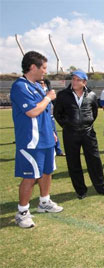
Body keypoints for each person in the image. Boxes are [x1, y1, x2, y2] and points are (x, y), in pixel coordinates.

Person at [10, 51, 63, 228]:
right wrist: (48, 97)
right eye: (44, 68)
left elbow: (46, 113)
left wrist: (52, 132)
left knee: (47, 171)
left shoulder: (37, 86)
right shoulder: (20, 87)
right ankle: (22, 212)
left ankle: (44, 202)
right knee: (30, 176)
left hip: (46, 138)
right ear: (33, 67)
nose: (45, 72)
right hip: (31, 141)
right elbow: (32, 111)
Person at [54, 70, 104, 199]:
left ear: (84, 82)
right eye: (73, 79)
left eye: (77, 79)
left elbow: (94, 112)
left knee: (95, 161)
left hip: (88, 133)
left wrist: (86, 124)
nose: (74, 81)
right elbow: (58, 114)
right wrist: (68, 125)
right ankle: (81, 191)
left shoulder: (91, 95)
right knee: (73, 162)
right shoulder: (63, 95)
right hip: (70, 134)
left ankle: (101, 188)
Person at [39, 79, 65, 156]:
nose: (41, 84)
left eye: (42, 83)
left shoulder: (49, 92)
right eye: (40, 83)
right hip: (40, 116)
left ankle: (58, 150)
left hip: (49, 116)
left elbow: (55, 102)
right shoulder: (37, 91)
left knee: (54, 133)